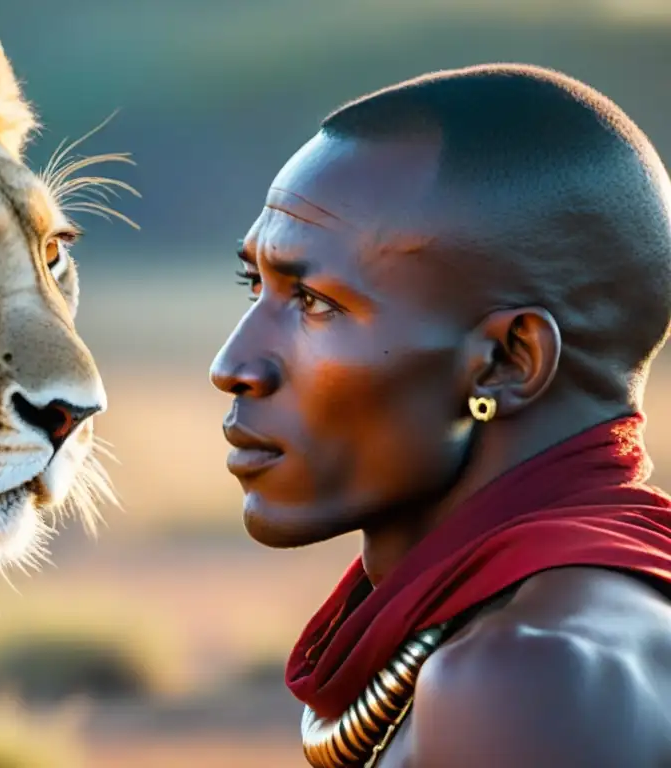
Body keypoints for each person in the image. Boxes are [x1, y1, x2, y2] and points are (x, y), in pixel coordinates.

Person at [209, 63, 671, 767]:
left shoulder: (527, 680)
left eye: (315, 303)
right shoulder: (553, 637)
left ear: (505, 363)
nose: (233, 365)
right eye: (256, 285)